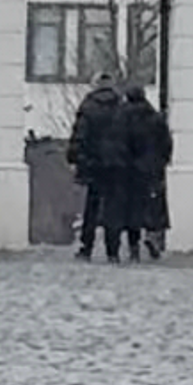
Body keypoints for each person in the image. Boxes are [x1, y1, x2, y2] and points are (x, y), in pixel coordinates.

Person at [67, 67, 129, 261]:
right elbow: (129, 136)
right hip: (117, 164)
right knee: (114, 208)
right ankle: (113, 250)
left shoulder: (88, 106)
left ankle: (87, 247)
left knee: (91, 207)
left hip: (94, 164)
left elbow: (80, 135)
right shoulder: (121, 106)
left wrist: (74, 157)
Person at [121, 73, 174, 260]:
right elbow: (167, 143)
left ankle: (133, 247)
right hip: (152, 168)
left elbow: (118, 143)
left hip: (129, 169)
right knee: (154, 206)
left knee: (131, 209)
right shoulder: (156, 118)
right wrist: (163, 161)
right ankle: (153, 237)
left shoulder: (122, 117)